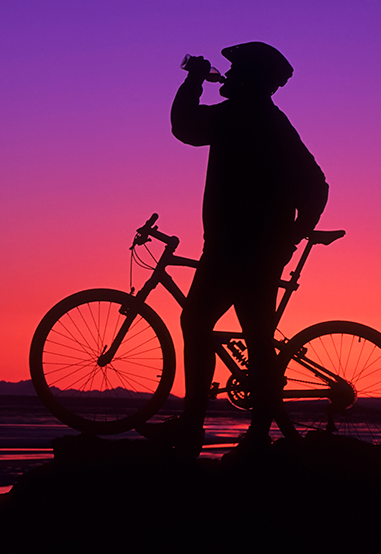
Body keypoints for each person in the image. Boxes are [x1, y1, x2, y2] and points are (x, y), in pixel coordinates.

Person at [144, 42, 329, 457]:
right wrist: (291, 235)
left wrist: (193, 79)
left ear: (249, 79)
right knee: (254, 336)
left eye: (235, 70)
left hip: (235, 248)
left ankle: (200, 427)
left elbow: (186, 126)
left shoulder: (241, 116)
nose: (226, 76)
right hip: (254, 247)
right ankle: (253, 432)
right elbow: (316, 185)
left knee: (199, 323)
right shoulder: (271, 120)